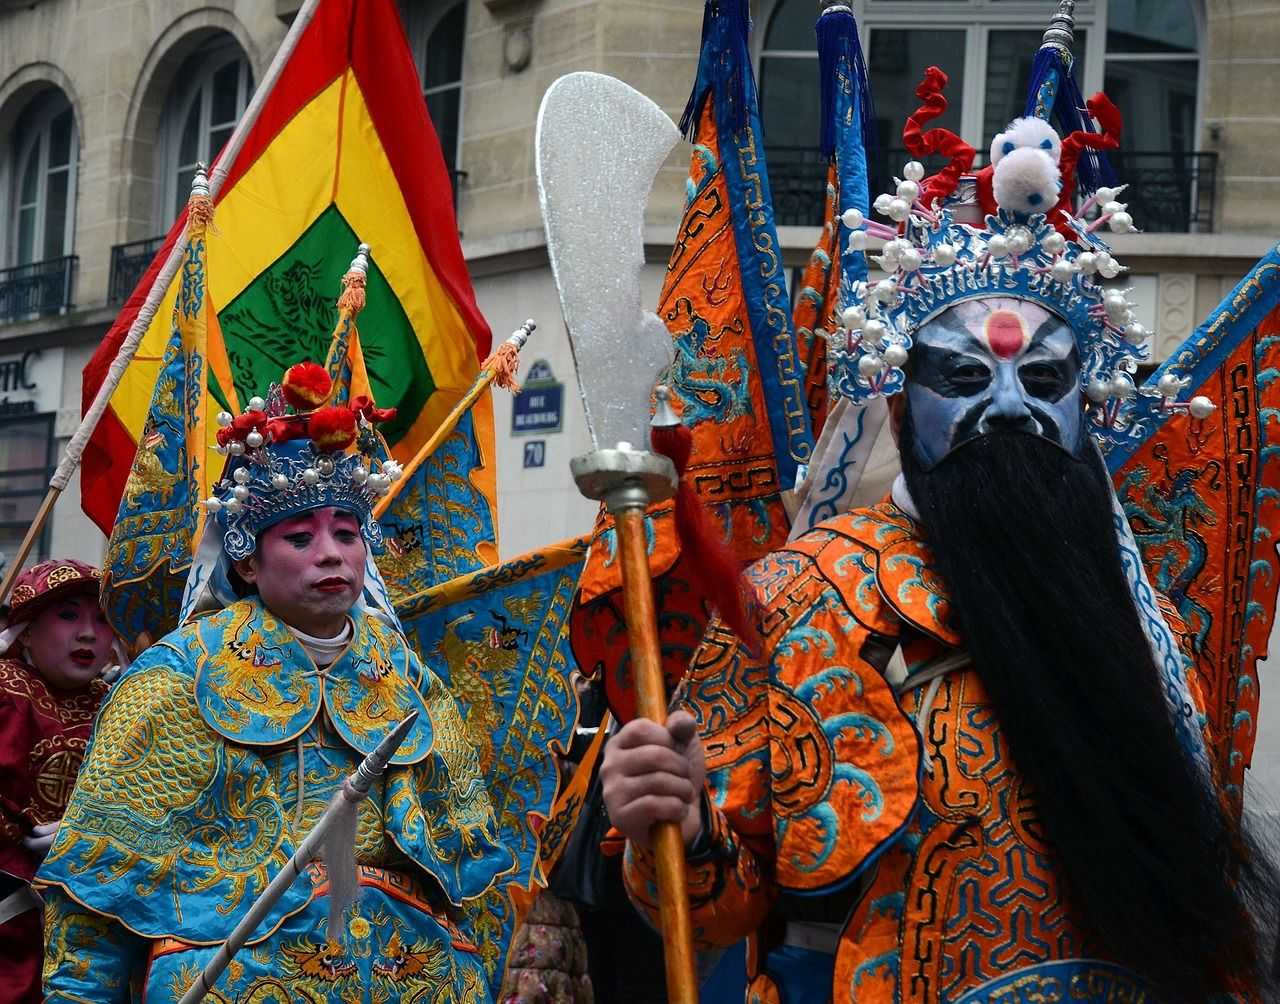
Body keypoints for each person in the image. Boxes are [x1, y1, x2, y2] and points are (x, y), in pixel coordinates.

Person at [598, 77, 1280, 1003]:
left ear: (1085, 408)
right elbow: (710, 910)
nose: (1009, 405)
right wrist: (671, 819)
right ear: (896, 397)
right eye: (964, 373)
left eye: (1044, 380)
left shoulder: (1141, 614)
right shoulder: (797, 596)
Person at [36, 363, 515, 1003]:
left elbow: (469, 886)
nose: (330, 554)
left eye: (347, 534)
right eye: (299, 536)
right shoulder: (175, 680)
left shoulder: (413, 685)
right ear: (247, 558)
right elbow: (93, 905)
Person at [0, 560, 115, 1004]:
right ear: (27, 631)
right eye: (68, 615)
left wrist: (94, 831)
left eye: (103, 619)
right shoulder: (6, 692)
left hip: (90, 918)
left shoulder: (120, 703)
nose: (88, 633)